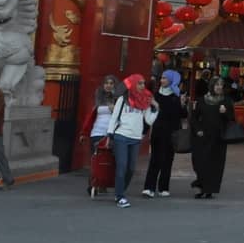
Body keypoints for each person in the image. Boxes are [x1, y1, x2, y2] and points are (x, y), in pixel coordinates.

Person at [108, 72, 158, 208]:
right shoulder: (123, 99)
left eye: (143, 83)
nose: (142, 86)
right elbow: (114, 117)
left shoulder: (145, 99)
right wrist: (110, 135)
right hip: (121, 136)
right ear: (134, 84)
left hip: (136, 138)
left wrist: (156, 108)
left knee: (130, 168)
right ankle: (120, 196)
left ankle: (120, 191)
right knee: (122, 166)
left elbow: (148, 120)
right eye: (139, 83)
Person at [143, 69, 186, 197]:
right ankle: (149, 187)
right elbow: (149, 115)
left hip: (172, 133)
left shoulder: (177, 96)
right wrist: (144, 131)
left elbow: (183, 115)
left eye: (165, 78)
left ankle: (163, 187)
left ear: (172, 80)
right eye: (161, 78)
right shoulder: (155, 96)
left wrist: (183, 104)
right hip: (158, 131)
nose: (162, 81)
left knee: (168, 160)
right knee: (155, 159)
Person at [190, 77, 231, 199]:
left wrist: (225, 113)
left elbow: (231, 119)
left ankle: (208, 189)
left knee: (215, 164)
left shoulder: (226, 101)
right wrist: (198, 130)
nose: (219, 87)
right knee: (199, 162)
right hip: (202, 137)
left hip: (218, 138)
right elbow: (194, 118)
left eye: (221, 85)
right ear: (211, 86)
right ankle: (202, 184)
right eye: (216, 85)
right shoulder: (201, 100)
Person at [78, 76, 121, 156]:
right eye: (106, 83)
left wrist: (114, 109)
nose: (108, 85)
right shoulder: (98, 97)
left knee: (108, 160)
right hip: (96, 132)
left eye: (111, 83)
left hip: (111, 134)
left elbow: (122, 118)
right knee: (95, 158)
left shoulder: (119, 99)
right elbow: (90, 118)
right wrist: (84, 133)